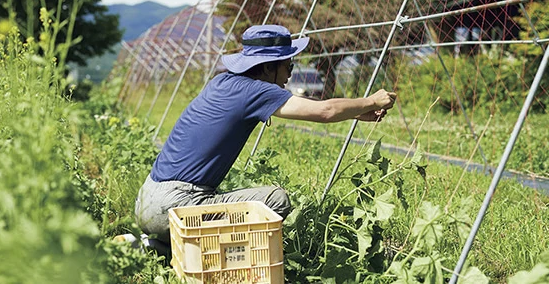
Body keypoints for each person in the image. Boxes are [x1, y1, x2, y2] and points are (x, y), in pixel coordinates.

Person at [134, 24, 397, 245]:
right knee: (274, 200)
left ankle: (155, 247)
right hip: (176, 205)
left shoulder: (222, 82)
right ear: (269, 67)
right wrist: (372, 101)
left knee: (222, 199)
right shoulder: (255, 91)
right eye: (288, 65)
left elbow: (315, 108)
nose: (290, 73)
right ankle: (235, 261)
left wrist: (354, 112)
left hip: (148, 199)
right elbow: (325, 111)